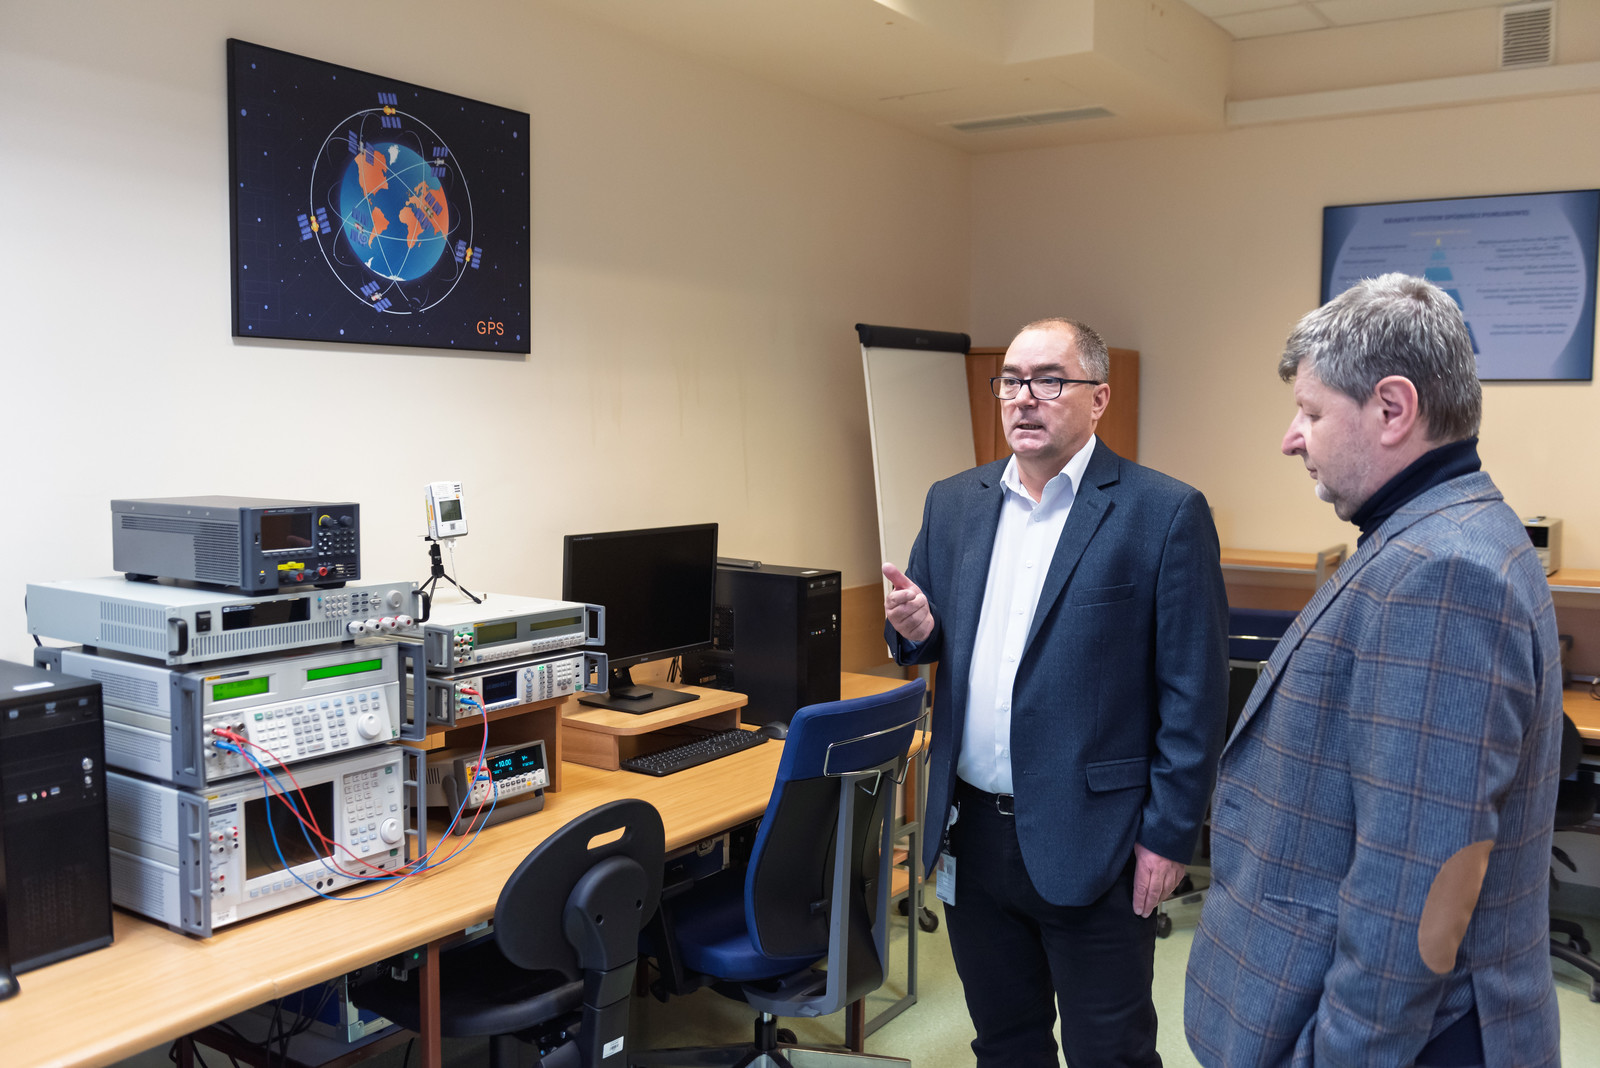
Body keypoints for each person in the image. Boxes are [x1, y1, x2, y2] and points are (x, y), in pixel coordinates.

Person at [1185, 274, 1564, 1068]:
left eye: (1311, 412)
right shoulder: (1435, 535)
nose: (1292, 438)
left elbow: (1414, 892)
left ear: (1393, 409)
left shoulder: (1444, 574)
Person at [884, 317, 1229, 1067]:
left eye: (1049, 381)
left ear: (1098, 398)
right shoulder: (955, 502)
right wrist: (916, 629)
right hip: (972, 834)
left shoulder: (1163, 512)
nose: (1023, 398)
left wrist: (1170, 837)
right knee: (1005, 1045)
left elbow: (1194, 696)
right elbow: (928, 634)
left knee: (1111, 1052)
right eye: (1011, 381)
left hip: (1097, 838)